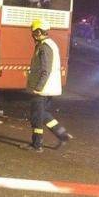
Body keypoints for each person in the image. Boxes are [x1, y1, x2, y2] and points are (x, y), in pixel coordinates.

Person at [25, 19, 73, 152]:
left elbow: (46, 70)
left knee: (36, 117)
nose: (32, 35)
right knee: (43, 113)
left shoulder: (44, 47)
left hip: (42, 89)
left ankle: (37, 145)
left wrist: (38, 88)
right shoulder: (49, 44)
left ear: (39, 32)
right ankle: (62, 134)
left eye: (34, 32)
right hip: (48, 87)